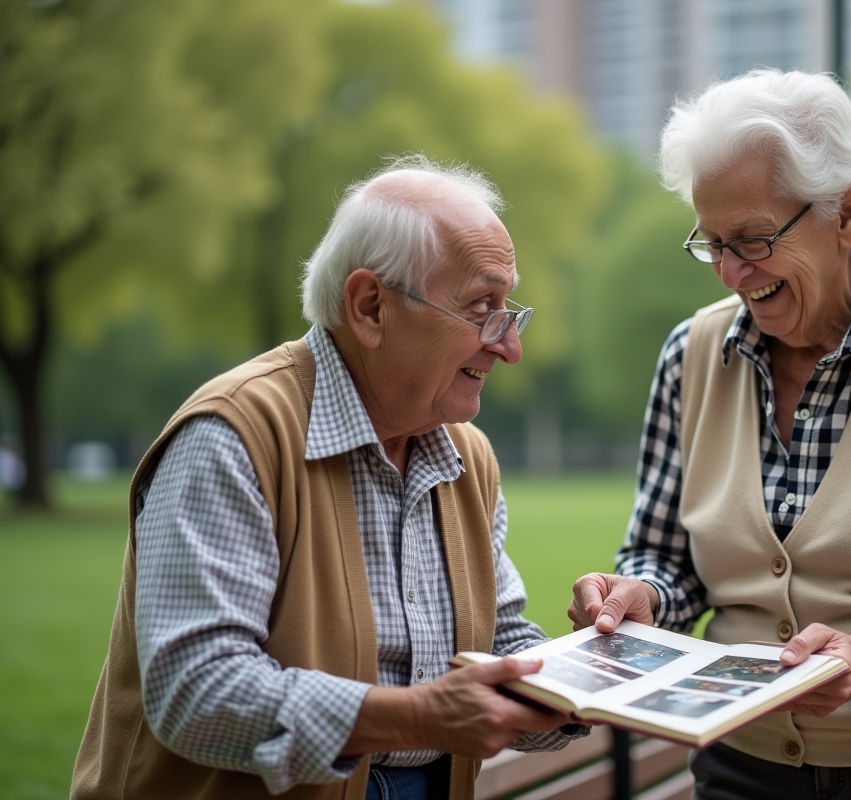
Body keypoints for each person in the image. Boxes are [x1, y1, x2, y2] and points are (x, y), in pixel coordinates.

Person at [568, 70, 851, 799]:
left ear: (846, 214)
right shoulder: (689, 356)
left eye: (752, 240)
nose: (730, 274)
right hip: (740, 768)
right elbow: (665, 556)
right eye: (712, 243)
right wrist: (642, 596)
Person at [72, 156, 581, 800]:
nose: (509, 346)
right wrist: (415, 717)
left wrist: (609, 668)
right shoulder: (233, 435)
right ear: (370, 307)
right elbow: (195, 690)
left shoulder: (467, 456)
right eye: (482, 308)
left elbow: (498, 642)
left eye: (509, 311)